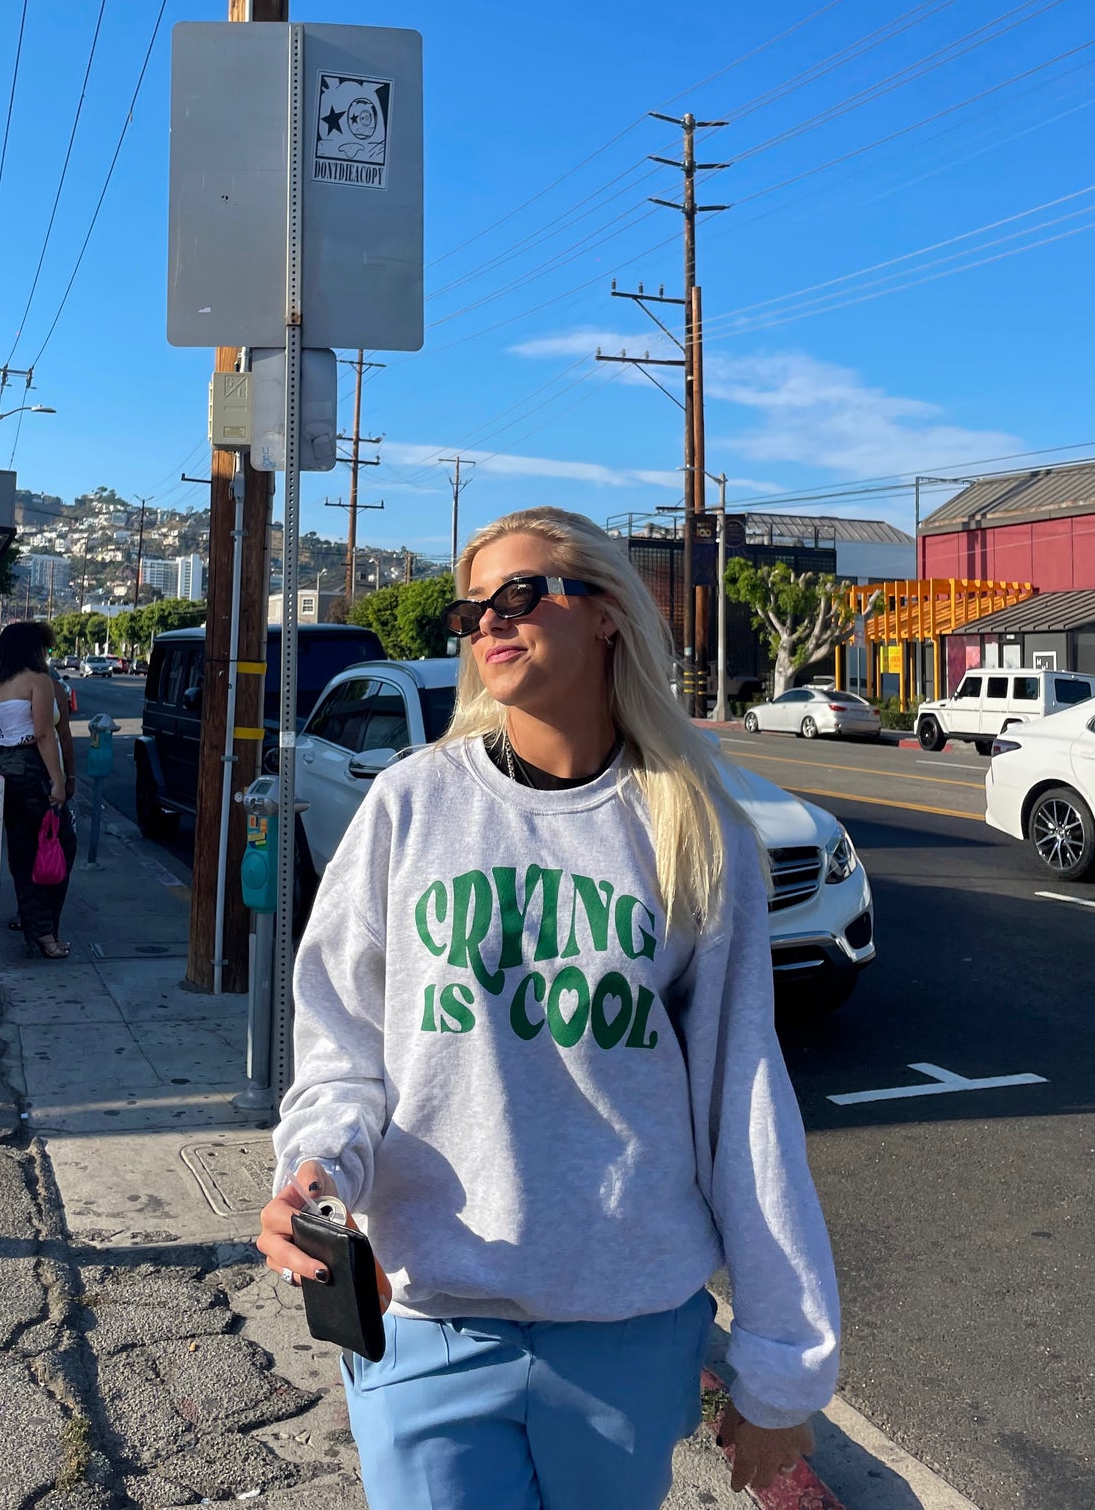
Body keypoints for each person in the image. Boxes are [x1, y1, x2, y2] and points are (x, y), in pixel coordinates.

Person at [257, 506, 840, 1509]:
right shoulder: (410, 804)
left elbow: (742, 1104)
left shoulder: (694, 827)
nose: (489, 620)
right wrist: (319, 1171)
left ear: (606, 612)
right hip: (428, 1312)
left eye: (521, 595)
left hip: (627, 1327)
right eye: (470, 607)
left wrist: (782, 1364)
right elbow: (343, 1047)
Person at [0, 620, 77, 959]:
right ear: (35, 649)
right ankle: (48, 934)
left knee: (22, 855)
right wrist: (60, 781)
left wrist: (4, 729)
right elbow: (46, 734)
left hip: (5, 768)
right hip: (33, 769)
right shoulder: (40, 681)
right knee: (60, 845)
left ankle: (38, 933)